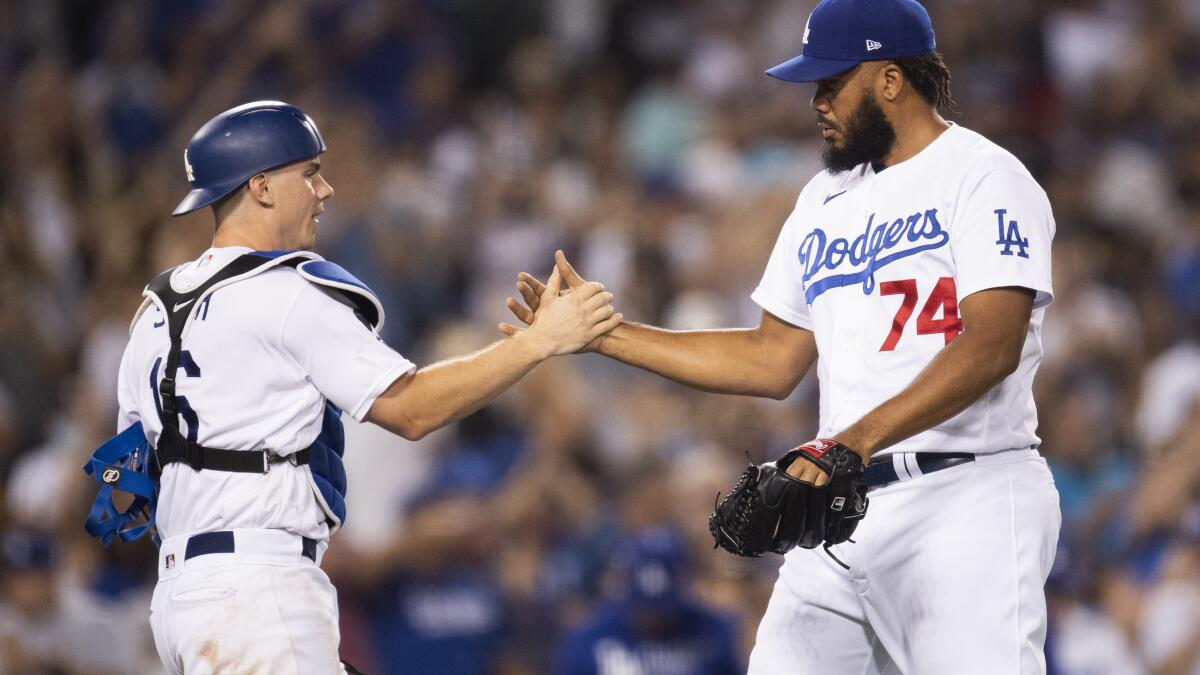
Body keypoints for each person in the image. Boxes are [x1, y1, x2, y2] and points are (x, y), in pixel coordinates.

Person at [503, 0, 1061, 671]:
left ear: (889, 79)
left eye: (832, 83)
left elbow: (992, 344)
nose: (816, 101)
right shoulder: (822, 200)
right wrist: (606, 336)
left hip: (964, 495)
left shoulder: (984, 176)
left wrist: (849, 441)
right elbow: (773, 358)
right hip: (840, 509)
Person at [99, 100, 621, 674]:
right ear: (263, 186)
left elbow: (125, 483)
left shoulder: (153, 311)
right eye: (310, 173)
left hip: (179, 600)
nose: (325, 191)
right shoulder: (286, 289)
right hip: (260, 587)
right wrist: (536, 342)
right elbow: (412, 410)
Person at [554, 527, 742, 675]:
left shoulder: (713, 631)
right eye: (645, 609)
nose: (653, 618)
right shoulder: (591, 637)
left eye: (661, 610)